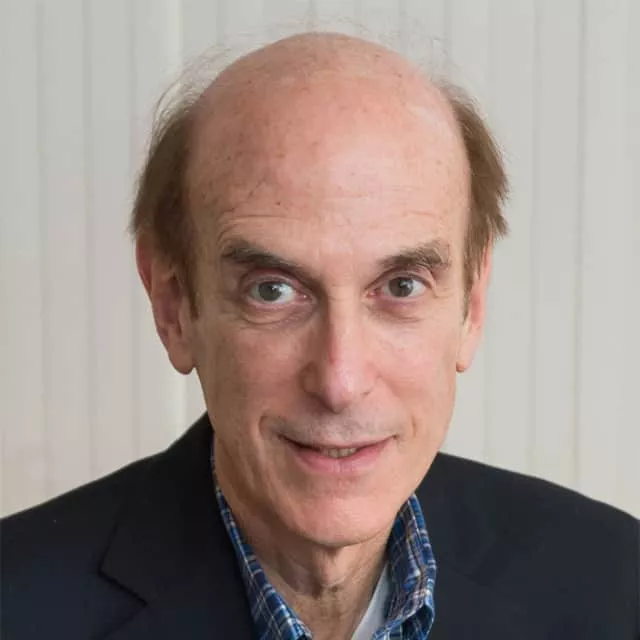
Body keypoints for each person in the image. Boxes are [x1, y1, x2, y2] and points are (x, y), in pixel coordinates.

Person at [1, 32, 638, 640]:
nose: (340, 381)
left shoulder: (617, 588)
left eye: (401, 286)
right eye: (272, 290)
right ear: (172, 306)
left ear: (472, 304)